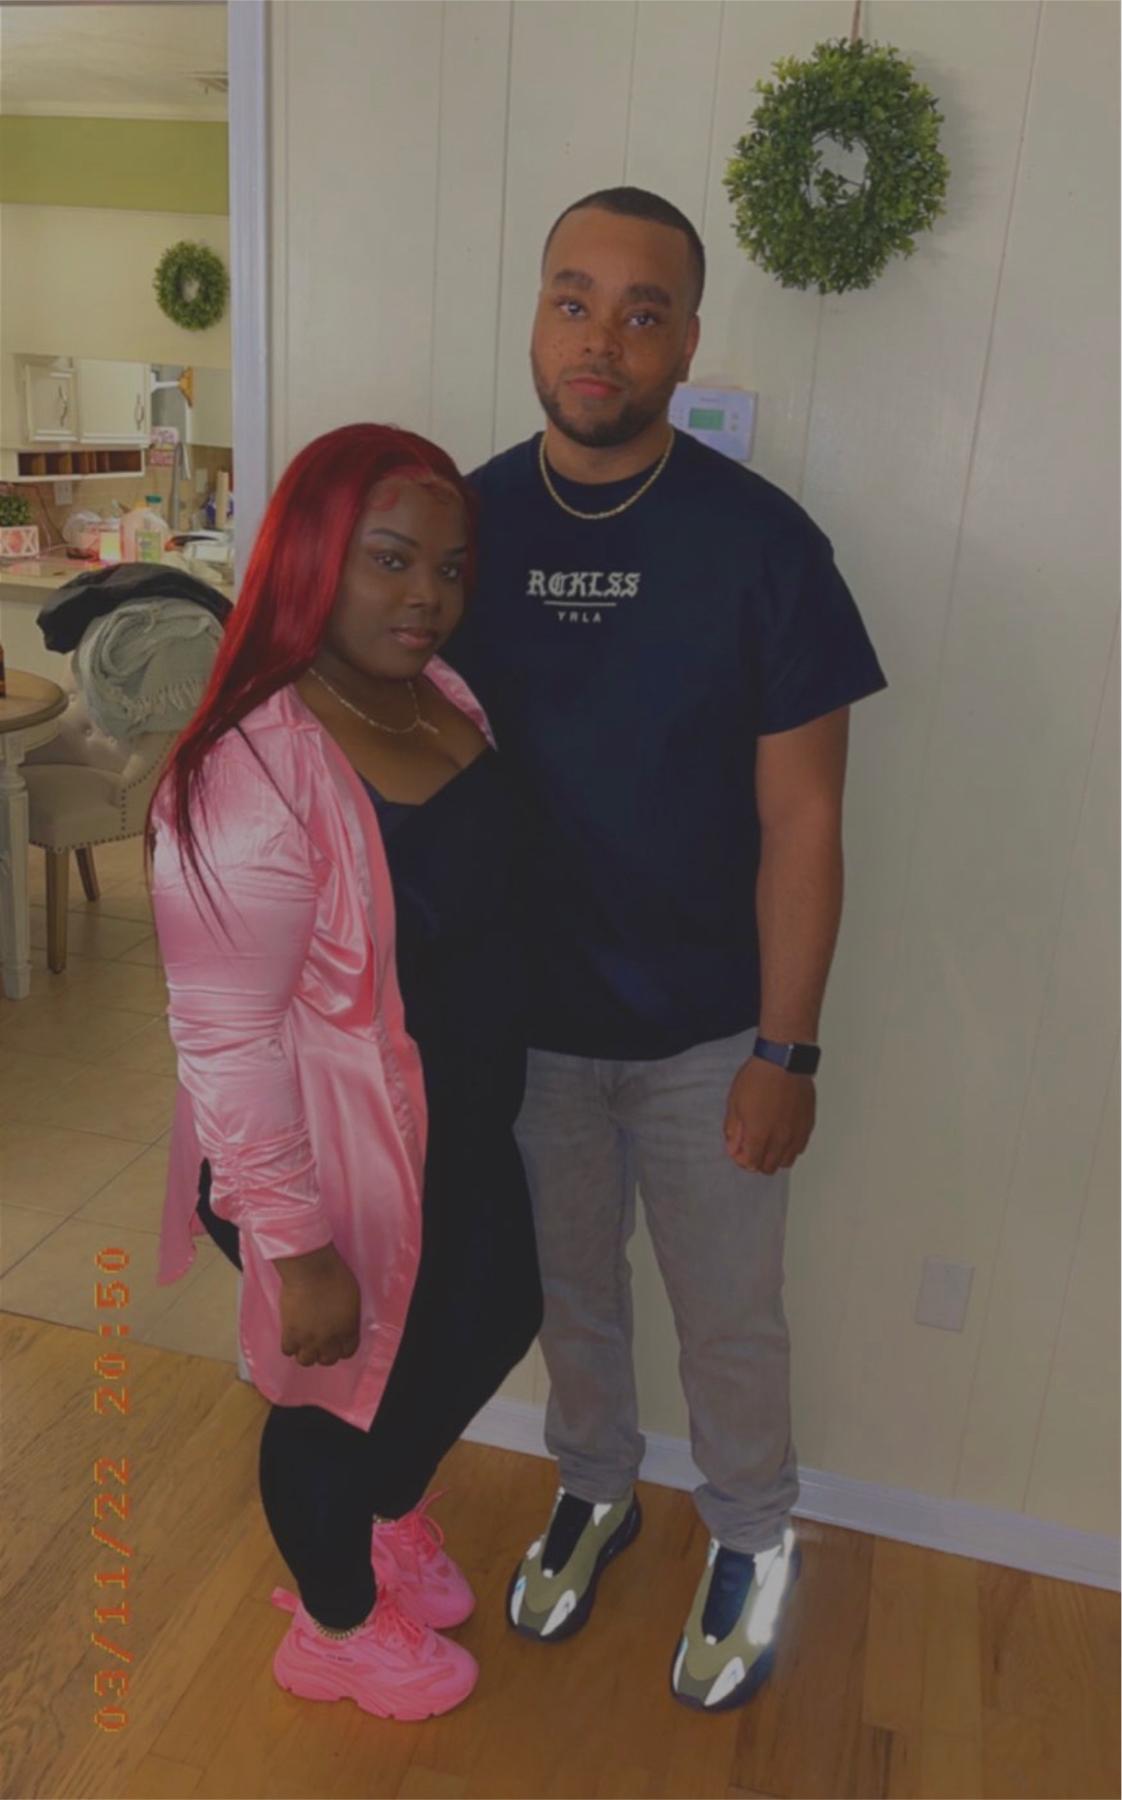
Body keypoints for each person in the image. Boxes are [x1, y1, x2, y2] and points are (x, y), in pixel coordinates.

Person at [443, 187, 888, 1713]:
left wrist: (786, 1048)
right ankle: (595, 1487)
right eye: (574, 299)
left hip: (709, 1037)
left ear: (688, 342)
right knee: (569, 1295)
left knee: (728, 1320)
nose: (603, 338)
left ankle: (752, 1532)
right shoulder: (462, 530)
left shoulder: (762, 546)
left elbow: (805, 819)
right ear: (535, 317)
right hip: (526, 1028)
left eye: (643, 312)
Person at [149, 423, 542, 1722]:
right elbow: (224, 1036)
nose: (427, 596)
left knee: (496, 1312)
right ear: (313, 558)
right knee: (334, 1394)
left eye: (449, 567)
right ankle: (332, 1626)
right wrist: (297, 1243)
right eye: (389, 560)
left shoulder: (443, 696)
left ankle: (379, 1514)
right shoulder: (246, 768)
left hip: (453, 1121)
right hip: (327, 1155)